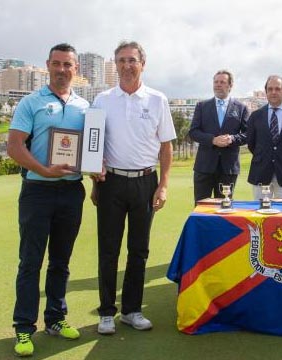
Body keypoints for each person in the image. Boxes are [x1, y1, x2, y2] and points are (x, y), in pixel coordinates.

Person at [7, 43, 89, 357]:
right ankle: (24, 328)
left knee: (61, 262)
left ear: (76, 69)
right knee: (30, 262)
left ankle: (55, 319)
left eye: (68, 64)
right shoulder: (31, 102)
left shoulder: (85, 106)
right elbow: (14, 147)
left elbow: (91, 150)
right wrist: (44, 170)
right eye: (56, 64)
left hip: (71, 192)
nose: (61, 69)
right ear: (47, 66)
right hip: (37, 191)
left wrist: (96, 170)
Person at [91, 40, 176, 335]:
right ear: (115, 65)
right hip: (110, 183)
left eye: (132, 60)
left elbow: (166, 148)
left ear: (143, 63)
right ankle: (105, 312)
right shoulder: (102, 99)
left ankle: (131, 310)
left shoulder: (157, 100)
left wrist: (163, 186)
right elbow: (94, 145)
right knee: (108, 250)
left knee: (138, 250)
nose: (127, 65)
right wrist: (94, 176)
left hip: (144, 182)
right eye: (121, 61)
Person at [189, 70, 249, 204]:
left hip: (228, 168)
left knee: (224, 210)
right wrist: (212, 140)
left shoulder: (241, 108)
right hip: (204, 166)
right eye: (216, 82)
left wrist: (232, 139)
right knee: (201, 209)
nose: (218, 85)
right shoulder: (202, 106)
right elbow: (193, 132)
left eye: (222, 82)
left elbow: (248, 134)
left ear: (230, 85)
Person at [246, 75, 282, 200]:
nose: (273, 92)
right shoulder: (255, 116)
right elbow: (251, 144)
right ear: (266, 92)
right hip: (261, 171)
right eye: (270, 89)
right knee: (260, 213)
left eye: (277, 89)